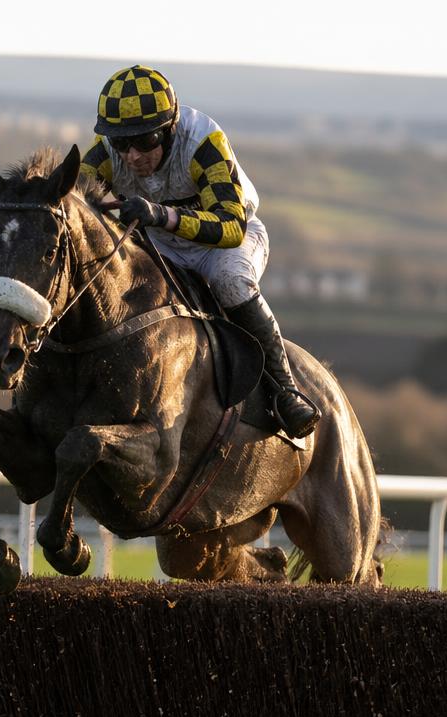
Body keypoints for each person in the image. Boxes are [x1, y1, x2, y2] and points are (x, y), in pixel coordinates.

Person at [79, 65, 321, 438]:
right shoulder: (105, 154)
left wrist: (162, 215)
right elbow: (71, 201)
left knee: (229, 282)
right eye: (121, 143)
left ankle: (285, 390)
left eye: (144, 141)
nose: (132, 156)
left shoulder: (204, 143)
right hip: (162, 242)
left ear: (170, 128)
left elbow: (230, 228)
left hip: (225, 243)